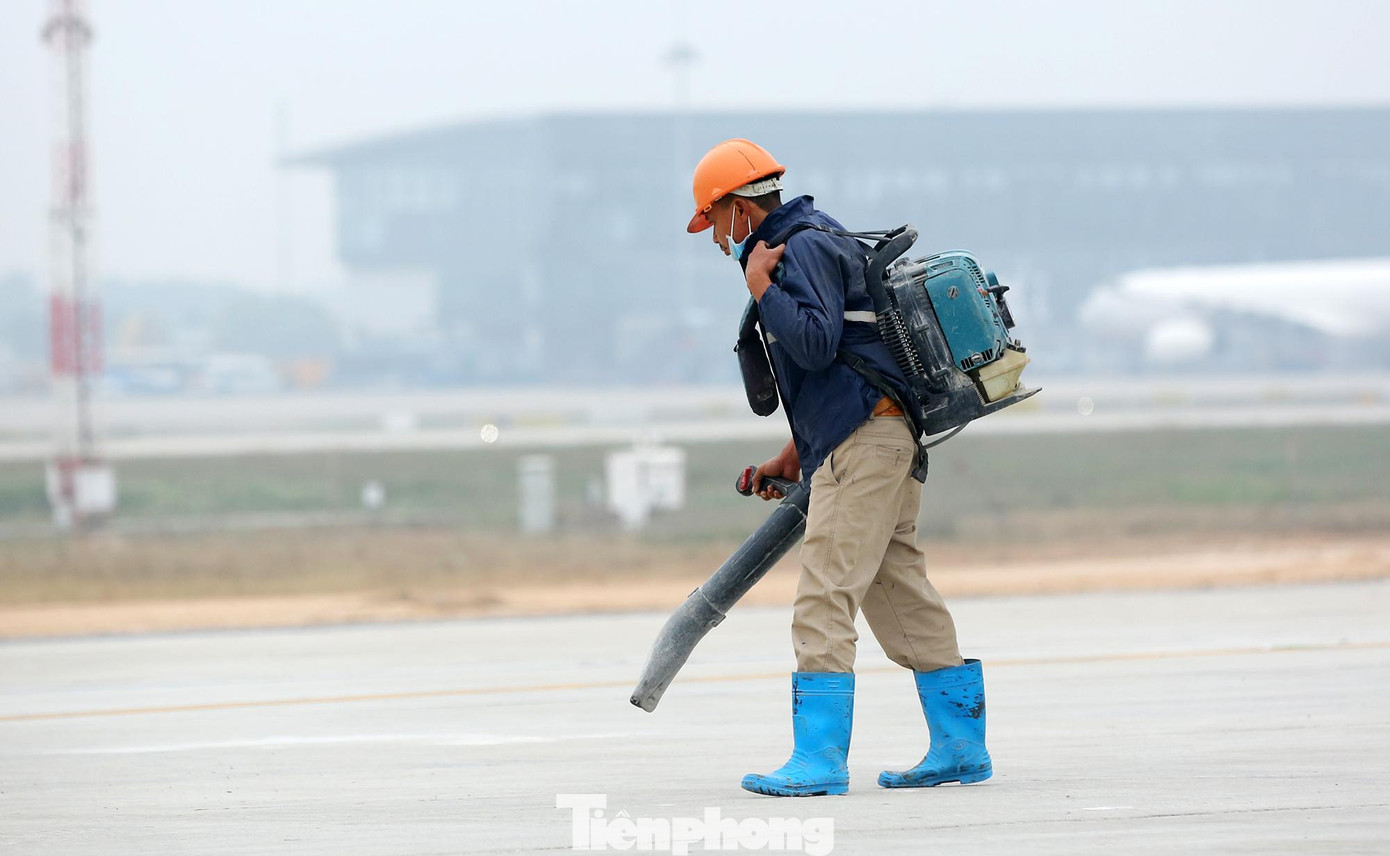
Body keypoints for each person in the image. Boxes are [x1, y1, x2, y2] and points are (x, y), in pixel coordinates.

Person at [686, 139, 992, 797]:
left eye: (711, 221)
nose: (713, 238)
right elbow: (841, 368)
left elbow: (817, 343)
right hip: (876, 436)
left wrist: (760, 285)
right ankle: (961, 745)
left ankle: (819, 760)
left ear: (738, 208)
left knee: (825, 592)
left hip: (866, 447)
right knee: (898, 591)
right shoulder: (813, 244)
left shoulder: (801, 249)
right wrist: (793, 458)